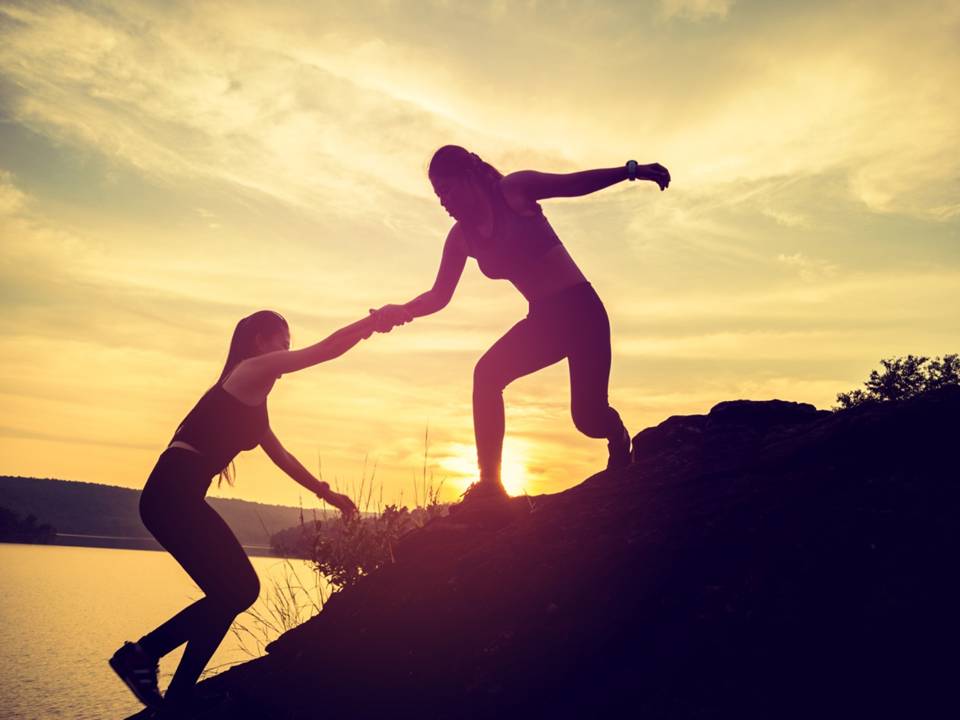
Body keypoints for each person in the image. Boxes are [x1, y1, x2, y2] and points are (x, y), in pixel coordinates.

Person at [109, 308, 396, 712]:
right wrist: (371, 323)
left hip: (175, 498)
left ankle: (175, 696)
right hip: (169, 496)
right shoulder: (248, 371)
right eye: (283, 340)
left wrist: (327, 494)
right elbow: (327, 349)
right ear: (260, 341)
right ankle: (142, 656)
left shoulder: (251, 401)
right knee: (239, 589)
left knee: (231, 593)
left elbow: (283, 457)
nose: (287, 349)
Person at [375, 146, 670, 506]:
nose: (443, 201)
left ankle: (618, 437)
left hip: (583, 313)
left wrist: (631, 170)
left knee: (589, 418)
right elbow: (438, 296)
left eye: (447, 190)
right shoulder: (462, 238)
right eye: (438, 195)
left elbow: (574, 184)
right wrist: (399, 311)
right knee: (486, 375)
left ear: (468, 177)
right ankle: (490, 486)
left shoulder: (513, 191)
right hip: (544, 321)